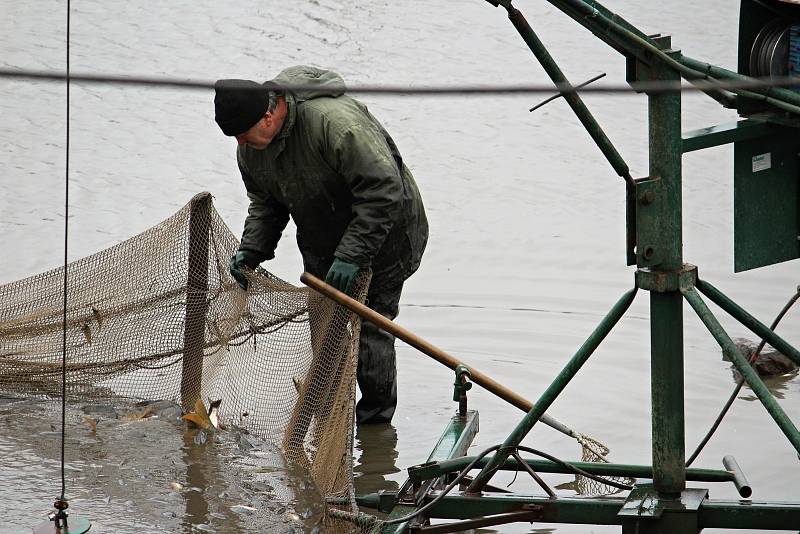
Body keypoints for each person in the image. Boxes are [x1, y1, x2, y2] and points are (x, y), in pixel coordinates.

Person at [214, 65, 428, 424]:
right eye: (234, 138)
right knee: (325, 328)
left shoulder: (335, 124)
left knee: (371, 330)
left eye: (244, 134)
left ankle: (375, 421)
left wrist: (352, 256)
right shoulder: (250, 149)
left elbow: (383, 192)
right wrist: (251, 249)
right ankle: (330, 421)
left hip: (388, 235)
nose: (241, 144)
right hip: (321, 236)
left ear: (270, 113)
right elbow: (267, 203)